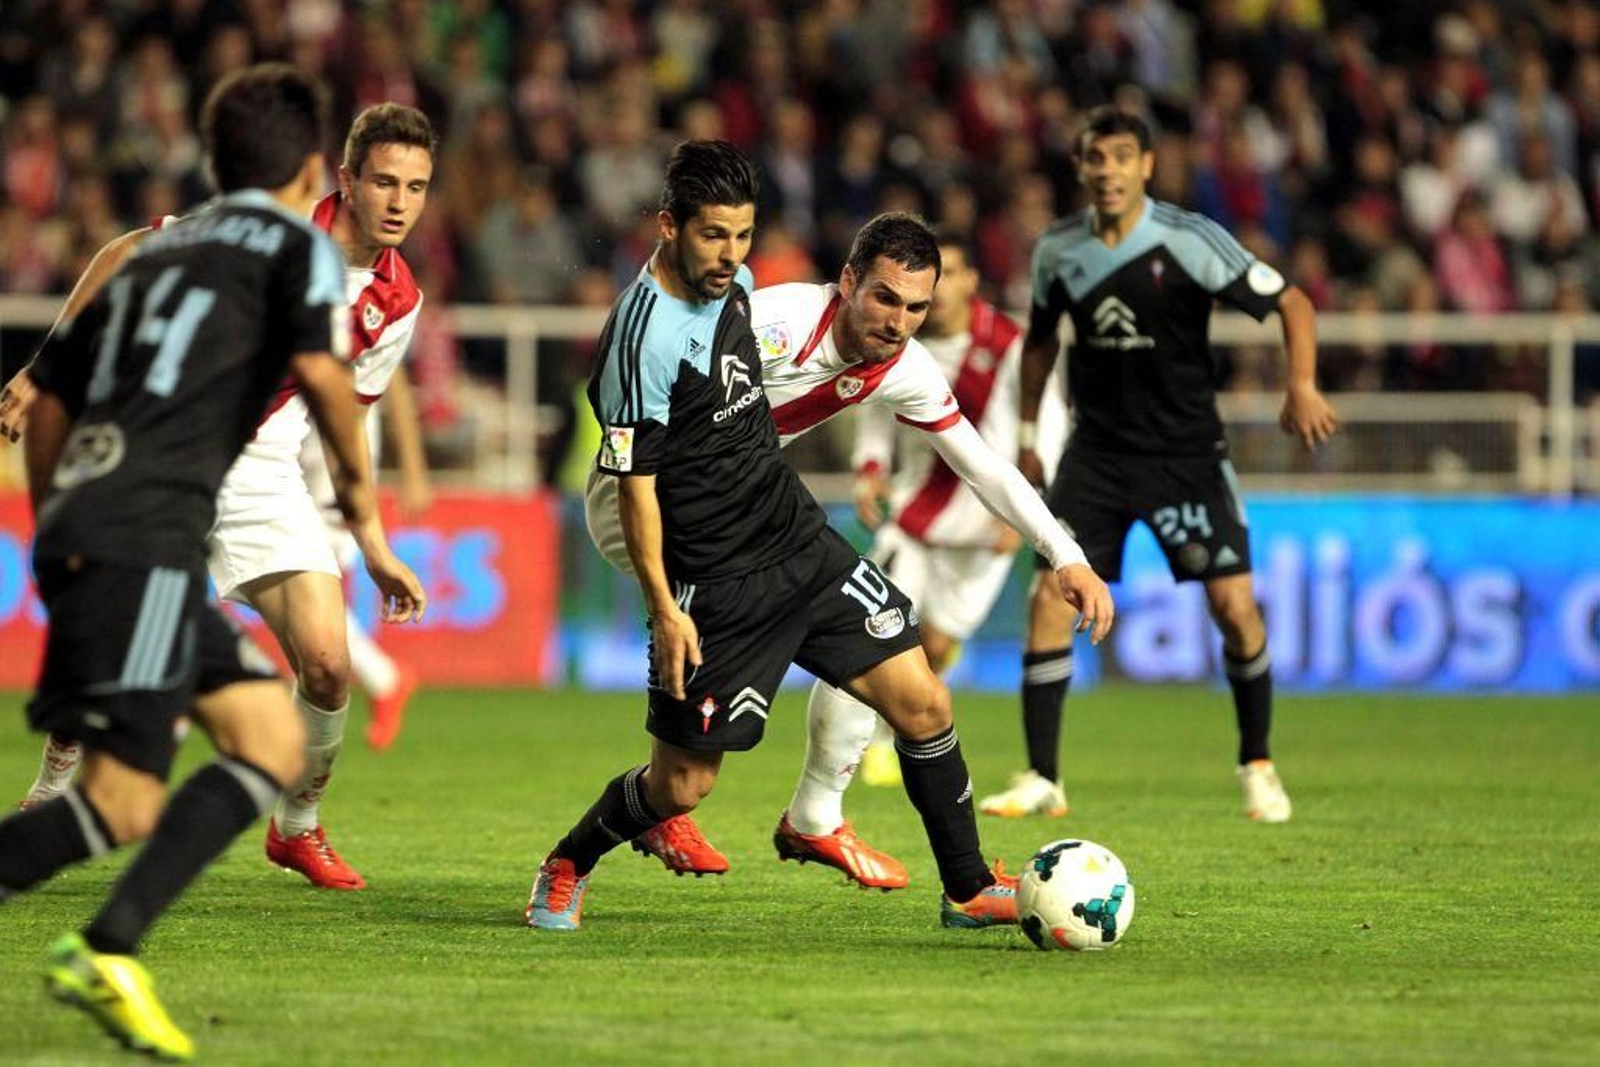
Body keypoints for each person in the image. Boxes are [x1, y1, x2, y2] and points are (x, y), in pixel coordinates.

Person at [529, 141, 1112, 933]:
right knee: (684, 782)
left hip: (787, 528)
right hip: (686, 538)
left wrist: (1065, 554)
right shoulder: (764, 322)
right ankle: (573, 857)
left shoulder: (897, 363)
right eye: (882, 301)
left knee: (923, 700)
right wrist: (666, 600)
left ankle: (966, 884)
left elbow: (984, 465)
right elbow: (640, 457)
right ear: (847, 283)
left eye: (915, 309)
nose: (897, 324)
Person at [0, 64, 415, 1060]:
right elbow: (325, 383)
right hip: (149, 518)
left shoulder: (181, 248)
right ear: (325, 170)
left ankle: (111, 944)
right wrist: (363, 514)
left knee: (263, 735)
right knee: (123, 795)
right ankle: (106, 945)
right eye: (383, 180)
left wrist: (57, 523)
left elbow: (53, 396)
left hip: (118, 508)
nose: (399, 202)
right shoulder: (296, 252)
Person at [992, 107, 1338, 823]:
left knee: (1234, 610)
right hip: (1097, 454)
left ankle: (1258, 762)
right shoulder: (1057, 249)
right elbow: (1038, 344)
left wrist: (1300, 383)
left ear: (1147, 166)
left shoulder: (1190, 239)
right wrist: (1028, 431)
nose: (1108, 169)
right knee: (1049, 600)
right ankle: (1042, 775)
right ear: (1081, 168)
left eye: (1122, 156)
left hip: (1186, 455)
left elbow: (1293, 302)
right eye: (1095, 157)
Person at [849, 230, 1069, 789]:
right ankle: (869, 743)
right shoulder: (898, 339)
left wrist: (1022, 512)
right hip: (913, 515)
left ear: (973, 281)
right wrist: (871, 468)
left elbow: (1050, 425)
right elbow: (874, 402)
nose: (940, 290)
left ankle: (894, 728)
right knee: (883, 634)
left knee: (939, 646)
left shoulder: (1011, 345)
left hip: (983, 520)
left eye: (952, 275)